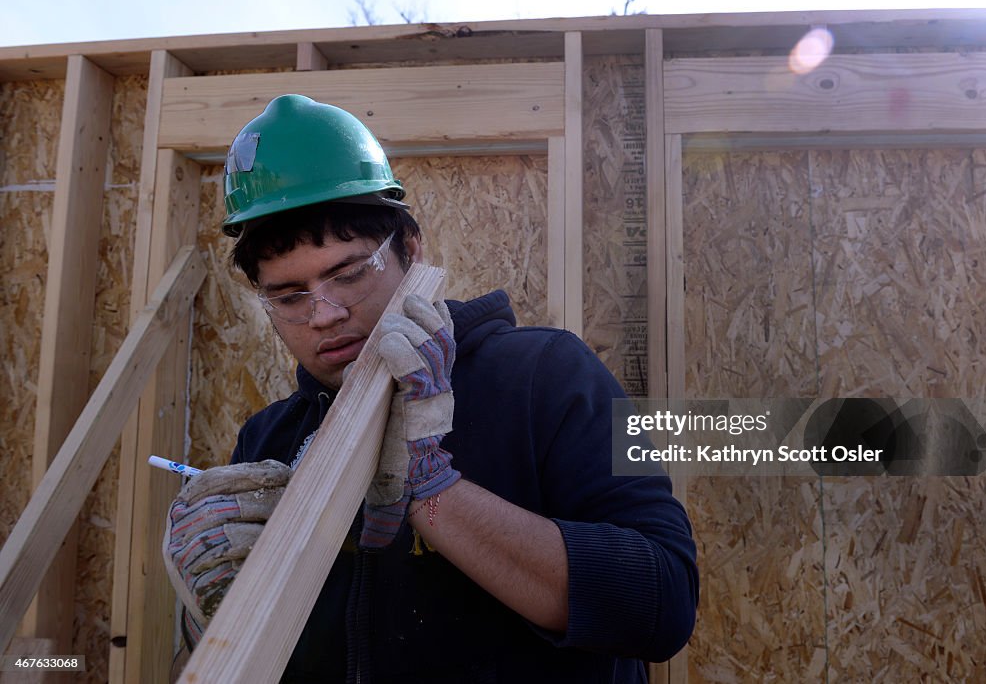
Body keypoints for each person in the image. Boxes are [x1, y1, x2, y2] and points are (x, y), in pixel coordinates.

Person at [163, 94, 698, 683]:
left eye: (348, 274)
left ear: (412, 251)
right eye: (289, 295)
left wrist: (432, 492)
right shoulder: (269, 438)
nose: (323, 315)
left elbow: (661, 605)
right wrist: (211, 609)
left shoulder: (545, 376)